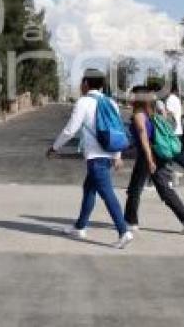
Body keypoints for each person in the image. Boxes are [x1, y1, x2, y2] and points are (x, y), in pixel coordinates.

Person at [47, 69, 133, 249]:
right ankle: (80, 227)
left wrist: (54, 147)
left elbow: (70, 130)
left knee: (107, 194)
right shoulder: (111, 102)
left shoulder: (84, 102)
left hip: (95, 157)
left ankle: (123, 231)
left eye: (81, 82)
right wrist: (117, 155)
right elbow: (117, 129)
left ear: (86, 83)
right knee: (89, 189)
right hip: (108, 154)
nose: (80, 85)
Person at [124, 86, 184, 234]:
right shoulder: (150, 113)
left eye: (132, 95)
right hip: (157, 154)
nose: (129, 98)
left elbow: (144, 139)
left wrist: (149, 160)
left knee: (134, 189)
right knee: (164, 189)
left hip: (147, 155)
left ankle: (131, 222)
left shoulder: (139, 115)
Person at [157, 81, 184, 187]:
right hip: (177, 130)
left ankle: (180, 175)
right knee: (171, 155)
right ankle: (174, 176)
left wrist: (160, 115)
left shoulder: (170, 100)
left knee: (170, 154)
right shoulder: (176, 99)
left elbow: (169, 115)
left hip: (172, 132)